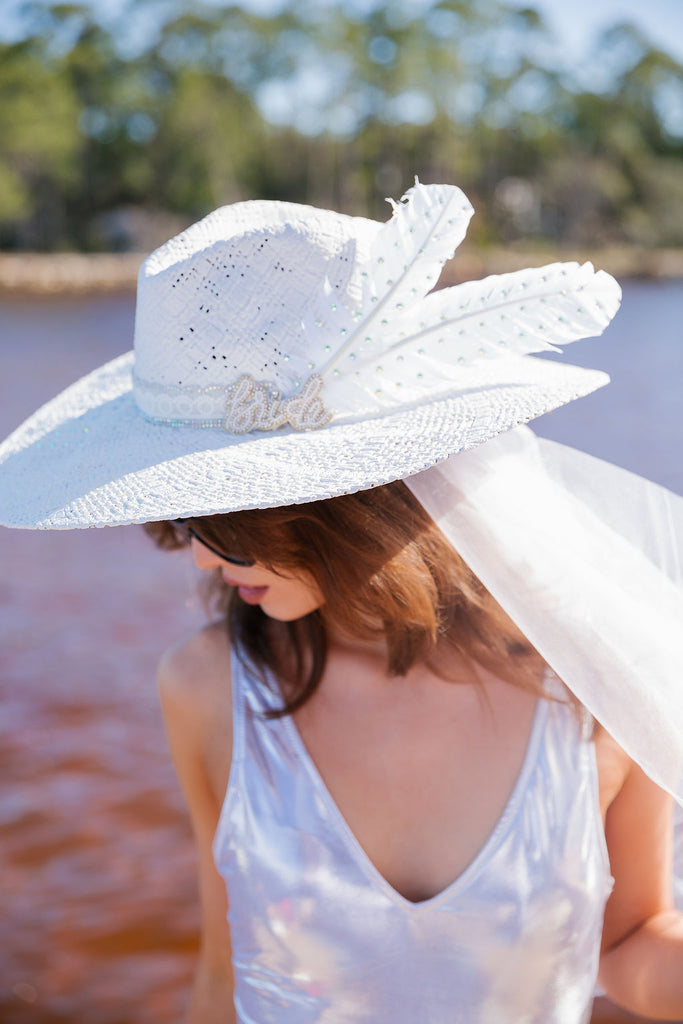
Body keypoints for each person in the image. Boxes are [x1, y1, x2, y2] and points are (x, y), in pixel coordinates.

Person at [1, 181, 682, 1024]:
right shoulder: (207, 687)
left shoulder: (587, 681)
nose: (207, 561)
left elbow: (629, 945)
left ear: (349, 501)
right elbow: (226, 969)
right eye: (186, 518)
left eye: (229, 522)